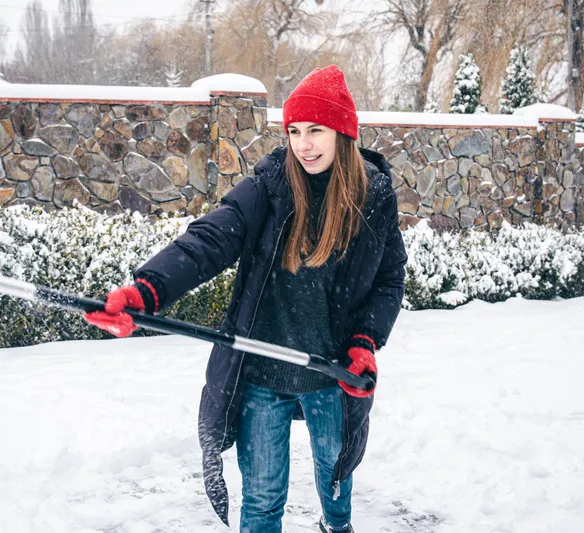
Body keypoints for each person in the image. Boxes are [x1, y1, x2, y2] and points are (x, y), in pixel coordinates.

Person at [84, 65, 407, 533]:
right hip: (262, 371)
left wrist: (364, 341)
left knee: (336, 487)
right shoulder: (271, 185)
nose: (304, 144)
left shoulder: (371, 196)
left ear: (343, 132)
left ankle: (334, 524)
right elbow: (210, 239)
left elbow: (389, 279)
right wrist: (147, 290)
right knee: (260, 505)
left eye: (316, 130)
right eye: (295, 131)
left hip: (332, 372)